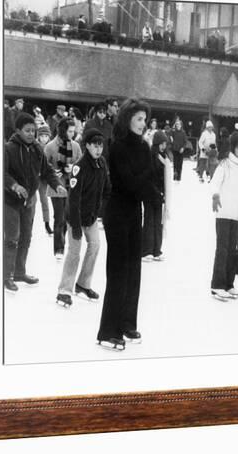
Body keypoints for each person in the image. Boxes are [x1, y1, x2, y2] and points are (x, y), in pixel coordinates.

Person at [97, 98, 161, 351]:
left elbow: (148, 180)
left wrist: (156, 197)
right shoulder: (118, 146)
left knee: (134, 271)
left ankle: (126, 323)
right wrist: (150, 179)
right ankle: (107, 330)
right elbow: (129, 182)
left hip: (135, 213)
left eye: (145, 120)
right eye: (138, 119)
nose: (143, 124)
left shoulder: (144, 147)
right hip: (117, 212)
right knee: (118, 272)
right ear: (127, 119)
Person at [4, 113, 66, 292]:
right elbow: (2, 173)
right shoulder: (9, 148)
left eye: (34, 131)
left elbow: (47, 171)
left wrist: (57, 185)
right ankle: (6, 275)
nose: (31, 134)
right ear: (18, 131)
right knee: (12, 239)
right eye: (27, 130)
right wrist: (14, 186)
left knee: (26, 237)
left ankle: (19, 272)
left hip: (29, 201)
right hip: (11, 201)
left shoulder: (38, 149)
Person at [56, 129, 110, 308]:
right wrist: (76, 226)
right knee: (74, 252)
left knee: (95, 246)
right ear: (87, 145)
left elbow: (107, 189)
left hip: (91, 216)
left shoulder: (101, 163)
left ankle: (83, 284)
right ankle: (64, 290)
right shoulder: (80, 167)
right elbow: (73, 198)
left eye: (101, 145)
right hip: (76, 217)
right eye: (95, 145)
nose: (98, 148)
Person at [210, 132, 238, 301]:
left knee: (233, 250)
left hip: (237, 214)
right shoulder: (225, 164)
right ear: (233, 147)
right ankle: (217, 285)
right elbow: (215, 181)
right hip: (224, 212)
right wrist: (215, 195)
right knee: (222, 249)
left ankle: (229, 284)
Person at [44, 117, 82, 260]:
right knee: (59, 217)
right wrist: (53, 171)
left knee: (67, 218)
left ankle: (62, 243)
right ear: (62, 130)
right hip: (56, 187)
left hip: (71, 187)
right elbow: (43, 168)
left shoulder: (76, 146)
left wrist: (73, 168)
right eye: (70, 131)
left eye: (73, 131)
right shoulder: (50, 146)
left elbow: (81, 165)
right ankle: (58, 248)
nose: (72, 134)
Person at [142, 130, 171, 262]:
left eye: (165, 143)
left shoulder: (164, 157)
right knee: (149, 222)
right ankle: (146, 250)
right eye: (162, 143)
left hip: (159, 195)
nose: (164, 146)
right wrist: (157, 192)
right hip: (150, 194)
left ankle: (156, 250)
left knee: (158, 222)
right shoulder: (150, 156)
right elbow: (149, 177)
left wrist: (164, 194)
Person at [37, 125, 53, 236]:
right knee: (30, 201)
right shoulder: (34, 146)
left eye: (46, 136)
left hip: (44, 178)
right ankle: (28, 223)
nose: (44, 138)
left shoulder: (51, 147)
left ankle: (47, 224)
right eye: (41, 136)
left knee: (44, 201)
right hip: (33, 177)